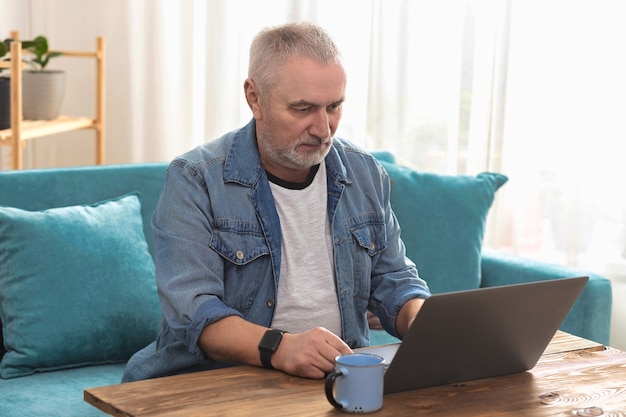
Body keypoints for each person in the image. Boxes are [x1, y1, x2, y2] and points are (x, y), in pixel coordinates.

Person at [122, 21, 430, 383]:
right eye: (302, 109)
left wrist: (422, 319)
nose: (323, 129)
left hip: (337, 380)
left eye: (334, 106)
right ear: (255, 98)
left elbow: (395, 280)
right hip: (214, 381)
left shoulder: (365, 174)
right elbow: (196, 313)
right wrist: (282, 348)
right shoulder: (195, 179)